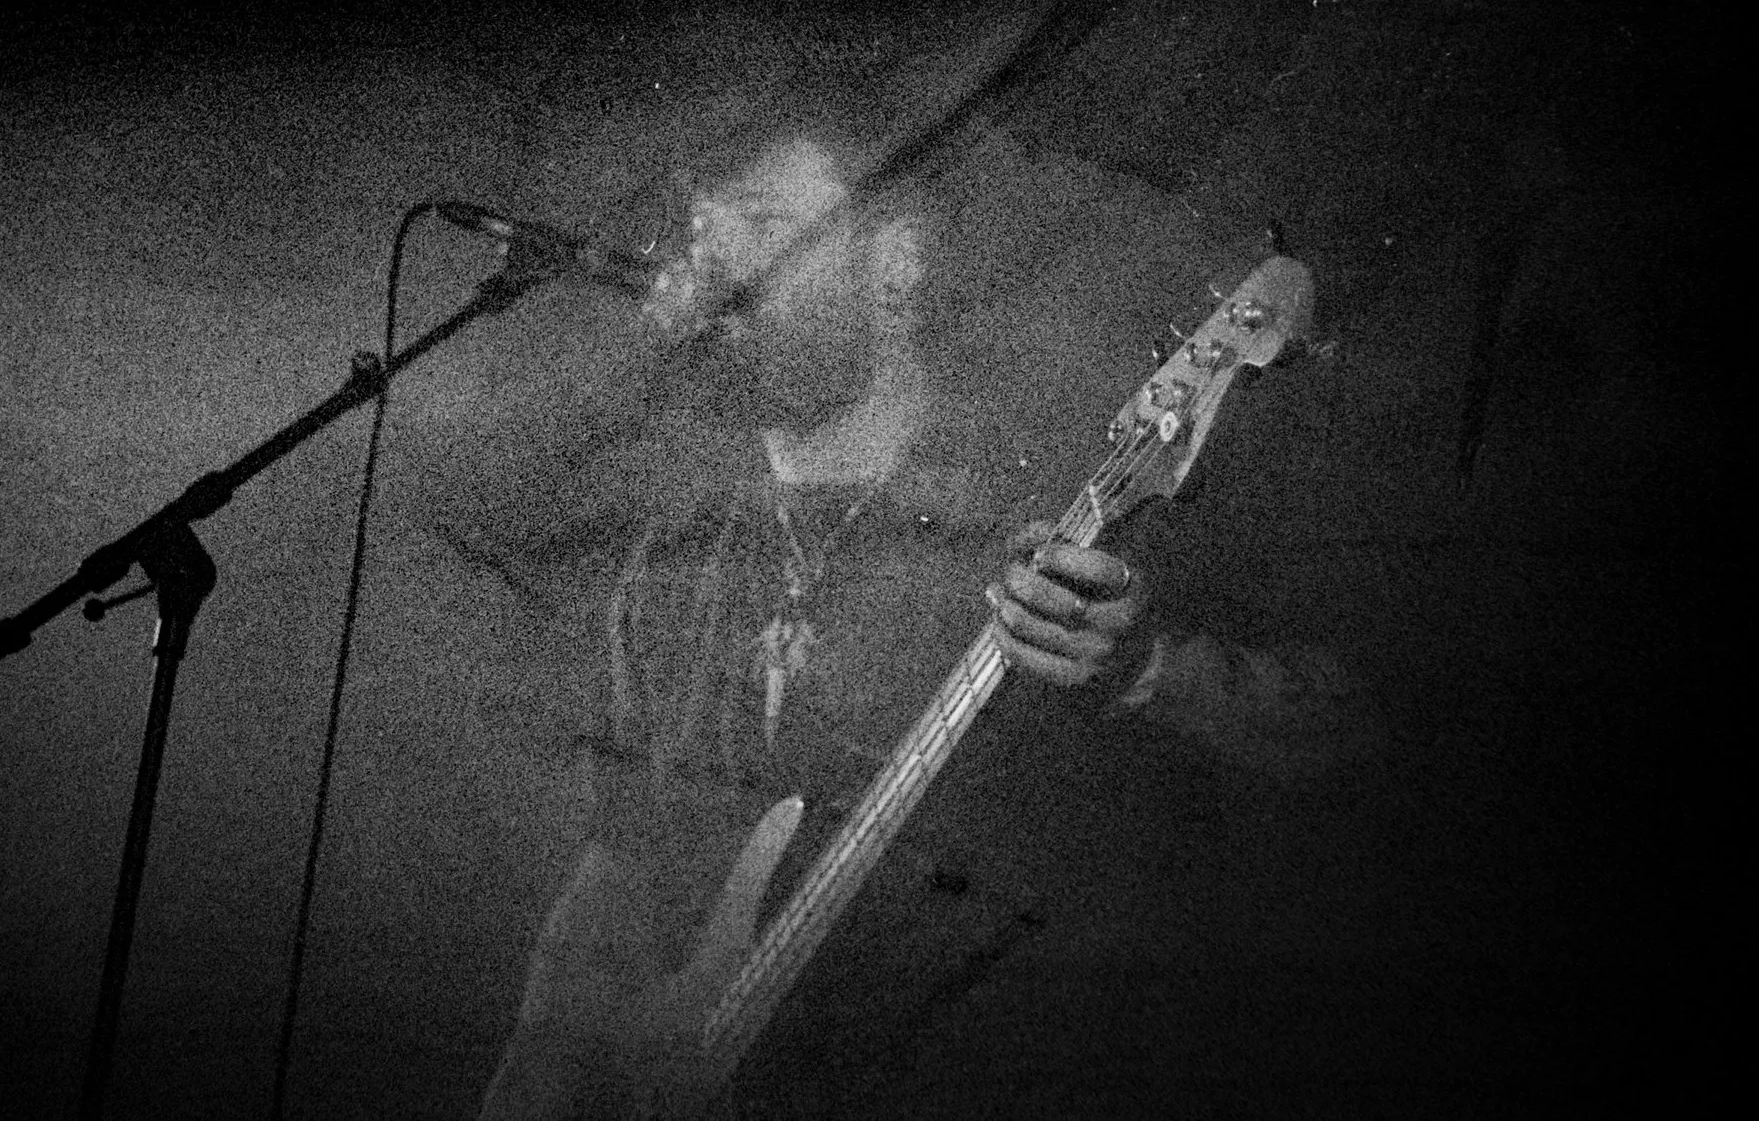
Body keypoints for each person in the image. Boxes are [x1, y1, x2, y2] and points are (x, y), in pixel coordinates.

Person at [473, 131, 1370, 1119]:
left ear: (892, 263)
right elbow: (627, 867)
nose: (716, 260)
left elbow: (1357, 744)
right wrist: (536, 1077)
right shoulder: (677, 562)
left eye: (765, 220)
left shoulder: (1051, 498)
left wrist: (1147, 666)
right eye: (701, 228)